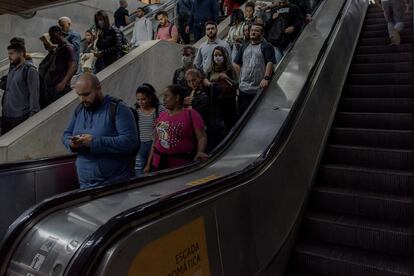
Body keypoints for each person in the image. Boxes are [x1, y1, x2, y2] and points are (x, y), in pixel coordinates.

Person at [62, 73, 139, 189]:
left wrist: (93, 142)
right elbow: (66, 134)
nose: (82, 99)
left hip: (115, 186)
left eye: (87, 94)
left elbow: (130, 141)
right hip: (85, 185)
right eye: (79, 95)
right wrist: (71, 143)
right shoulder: (79, 109)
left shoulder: (118, 108)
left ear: (98, 88)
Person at [145, 84, 208, 172]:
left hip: (180, 166)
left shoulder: (191, 114)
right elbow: (155, 141)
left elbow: (201, 137)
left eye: (167, 96)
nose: (163, 99)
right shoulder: (162, 115)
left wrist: (200, 151)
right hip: (157, 164)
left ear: (177, 97)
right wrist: (148, 164)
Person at [234, 23, 275, 115]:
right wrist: (238, 81)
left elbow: (270, 62)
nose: (253, 32)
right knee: (243, 114)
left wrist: (266, 78)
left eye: (256, 30)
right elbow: (236, 64)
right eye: (252, 30)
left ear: (262, 33)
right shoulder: (244, 46)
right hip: (243, 88)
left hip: (259, 89)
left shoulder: (267, 46)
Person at [1, 43, 40, 135]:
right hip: (7, 115)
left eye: (12, 54)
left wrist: (33, 114)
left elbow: (34, 93)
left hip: (20, 116)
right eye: (9, 54)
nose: (9, 57)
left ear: (21, 53)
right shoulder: (13, 70)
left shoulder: (30, 70)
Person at [134, 84, 165, 176]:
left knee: (154, 173)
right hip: (140, 147)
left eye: (143, 99)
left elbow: (163, 130)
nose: (141, 102)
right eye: (138, 99)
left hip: (155, 146)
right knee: (138, 173)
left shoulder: (158, 110)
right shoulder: (136, 111)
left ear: (150, 98)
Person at [205, 46, 238, 132]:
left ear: (224, 56)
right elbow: (206, 85)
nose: (217, 57)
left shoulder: (230, 69)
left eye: (220, 55)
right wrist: (209, 83)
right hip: (214, 104)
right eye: (215, 55)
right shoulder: (209, 70)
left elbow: (236, 85)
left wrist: (227, 78)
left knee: (229, 126)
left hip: (228, 103)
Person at [46, 25, 77, 102]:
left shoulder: (68, 48)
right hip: (54, 83)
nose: (50, 39)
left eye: (52, 36)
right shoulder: (60, 47)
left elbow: (73, 66)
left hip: (61, 84)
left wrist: (64, 82)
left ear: (58, 34)